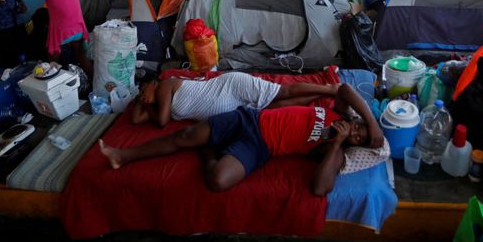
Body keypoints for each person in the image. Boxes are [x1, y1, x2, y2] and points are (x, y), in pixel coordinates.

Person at [99, 83, 383, 195]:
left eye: (358, 137)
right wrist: (372, 124)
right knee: (186, 135)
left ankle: (209, 152)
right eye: (359, 126)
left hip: (260, 146)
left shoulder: (334, 154)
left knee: (218, 181)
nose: (355, 131)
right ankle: (121, 155)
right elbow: (344, 89)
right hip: (250, 118)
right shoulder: (338, 112)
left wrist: (336, 143)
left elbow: (320, 189)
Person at [130, 73, 342, 127]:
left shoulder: (166, 85)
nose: (143, 96)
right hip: (228, 107)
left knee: (282, 92)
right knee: (273, 107)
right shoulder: (156, 106)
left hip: (229, 86)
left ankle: (328, 88)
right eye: (141, 95)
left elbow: (162, 122)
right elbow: (136, 119)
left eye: (143, 90)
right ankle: (320, 94)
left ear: (153, 82)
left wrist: (147, 98)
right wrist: (141, 100)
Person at [14, 0, 91, 75]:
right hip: (78, 29)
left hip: (62, 33)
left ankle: (55, 83)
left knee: (52, 64)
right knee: (81, 57)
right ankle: (94, 82)